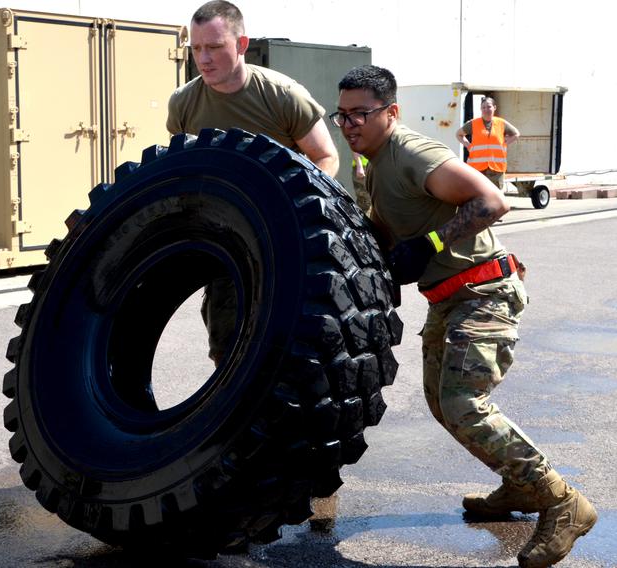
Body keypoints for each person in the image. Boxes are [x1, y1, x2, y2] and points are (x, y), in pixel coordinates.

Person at [333, 65, 595, 568]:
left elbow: (492, 201)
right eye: (342, 115)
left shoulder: (411, 152)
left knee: (462, 404)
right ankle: (520, 487)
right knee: (440, 401)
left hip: (484, 291)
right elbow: (387, 229)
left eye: (361, 115)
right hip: (447, 296)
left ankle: (562, 501)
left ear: (391, 113)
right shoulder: (367, 164)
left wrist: (428, 244)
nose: (349, 126)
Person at [167, 0, 340, 364]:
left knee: (290, 344)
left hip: (284, 235)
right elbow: (181, 166)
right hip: (226, 235)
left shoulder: (282, 95)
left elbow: (326, 156)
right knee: (228, 345)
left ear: (241, 45)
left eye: (215, 47)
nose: (204, 58)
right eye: (196, 48)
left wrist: (297, 206)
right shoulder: (184, 103)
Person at [455, 96, 520, 190]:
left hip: (496, 170)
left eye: (489, 106)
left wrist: (505, 143)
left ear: (494, 108)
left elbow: (516, 133)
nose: (486, 109)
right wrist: (468, 145)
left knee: (495, 196)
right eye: (483, 107)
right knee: (478, 194)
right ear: (481, 109)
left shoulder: (501, 123)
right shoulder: (473, 124)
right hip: (477, 169)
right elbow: (458, 134)